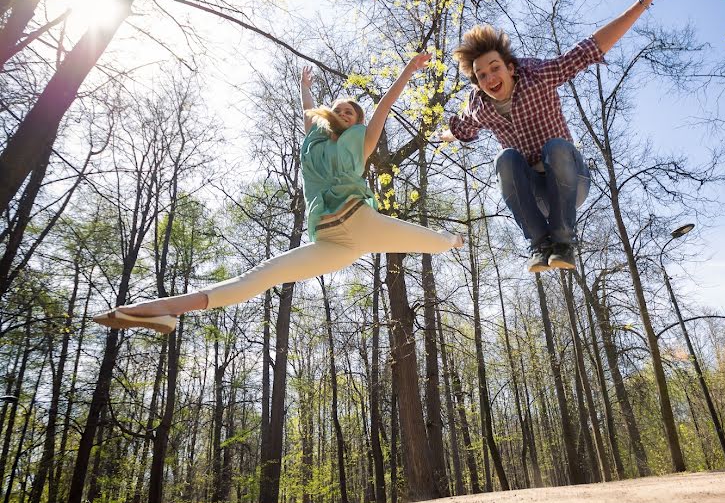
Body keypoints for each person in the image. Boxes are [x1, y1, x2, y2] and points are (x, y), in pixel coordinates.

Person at [94, 53, 463, 334]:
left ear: (358, 120)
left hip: (361, 222)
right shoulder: (313, 141)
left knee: (437, 241)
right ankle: (163, 310)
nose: (345, 113)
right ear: (331, 117)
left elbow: (384, 104)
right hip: (333, 240)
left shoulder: (363, 141)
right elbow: (309, 114)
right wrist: (305, 88)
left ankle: (453, 239)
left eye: (351, 111)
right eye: (340, 110)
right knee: (259, 276)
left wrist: (409, 70)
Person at [441, 0, 662, 273]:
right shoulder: (479, 106)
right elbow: (463, 128)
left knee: (555, 147)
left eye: (494, 69)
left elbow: (589, 50)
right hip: (534, 191)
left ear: (510, 68)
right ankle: (539, 243)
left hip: (570, 181)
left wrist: (642, 3)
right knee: (505, 159)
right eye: (482, 76)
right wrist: (444, 134)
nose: (490, 79)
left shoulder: (537, 75)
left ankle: (562, 242)